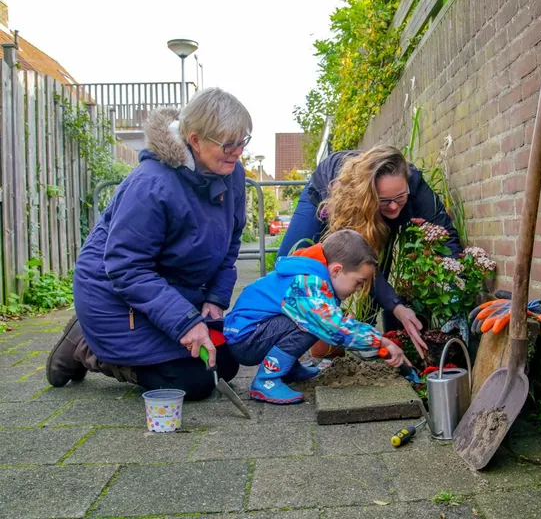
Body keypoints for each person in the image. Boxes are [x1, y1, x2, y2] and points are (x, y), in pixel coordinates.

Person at [45, 88, 251, 400]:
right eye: (228, 144)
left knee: (225, 362)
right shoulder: (151, 184)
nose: (237, 152)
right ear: (195, 140)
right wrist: (185, 323)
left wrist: (215, 298)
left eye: (243, 141)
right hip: (114, 297)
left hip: (167, 292)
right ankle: (87, 346)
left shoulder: (232, 173)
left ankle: (109, 343)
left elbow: (231, 241)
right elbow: (126, 268)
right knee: (193, 382)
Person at [279, 145, 463, 359]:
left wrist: (456, 291)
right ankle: (284, 346)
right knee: (290, 264)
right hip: (329, 193)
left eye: (400, 197)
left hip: (371, 209)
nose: (393, 207)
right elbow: (357, 257)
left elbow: (446, 234)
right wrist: (398, 308)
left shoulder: (416, 188)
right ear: (371, 195)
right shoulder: (353, 197)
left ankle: (364, 334)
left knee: (374, 262)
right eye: (384, 200)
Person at [224, 229, 407, 404]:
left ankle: (288, 369)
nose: (359, 289)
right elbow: (332, 327)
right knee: (316, 324)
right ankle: (266, 380)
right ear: (336, 270)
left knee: (313, 320)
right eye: (358, 282)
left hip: (250, 332)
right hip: (246, 339)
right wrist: (381, 342)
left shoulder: (311, 275)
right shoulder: (307, 284)